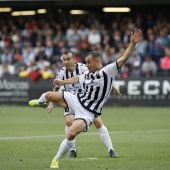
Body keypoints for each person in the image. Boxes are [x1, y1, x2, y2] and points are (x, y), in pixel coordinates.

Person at [29, 28, 142, 168]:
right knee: (48, 95)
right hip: (76, 99)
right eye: (86, 62)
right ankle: (41, 103)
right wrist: (62, 82)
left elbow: (123, 58)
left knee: (71, 134)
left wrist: (133, 44)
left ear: (97, 61)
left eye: (89, 62)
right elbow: (77, 78)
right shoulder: (87, 74)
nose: (86, 65)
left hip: (88, 112)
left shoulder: (107, 71)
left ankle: (56, 159)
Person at [47, 51, 121, 158]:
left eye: (68, 59)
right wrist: (51, 103)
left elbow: (99, 77)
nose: (66, 62)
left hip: (85, 101)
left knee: (98, 123)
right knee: (69, 122)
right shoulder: (62, 73)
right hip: (70, 101)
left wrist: (112, 87)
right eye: (64, 60)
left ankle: (111, 149)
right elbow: (56, 88)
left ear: (74, 60)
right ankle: (73, 150)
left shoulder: (83, 68)